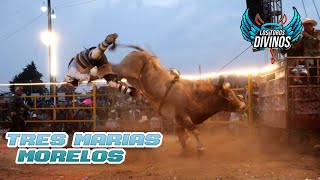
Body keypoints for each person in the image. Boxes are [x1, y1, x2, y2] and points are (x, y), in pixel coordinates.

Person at [64, 33, 140, 97]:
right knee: (111, 83)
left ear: (71, 78)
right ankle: (131, 91)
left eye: (73, 82)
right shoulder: (71, 69)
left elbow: (89, 77)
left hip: (88, 57)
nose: (76, 83)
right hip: (97, 61)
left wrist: (100, 76)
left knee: (92, 57)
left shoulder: (73, 73)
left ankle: (106, 43)